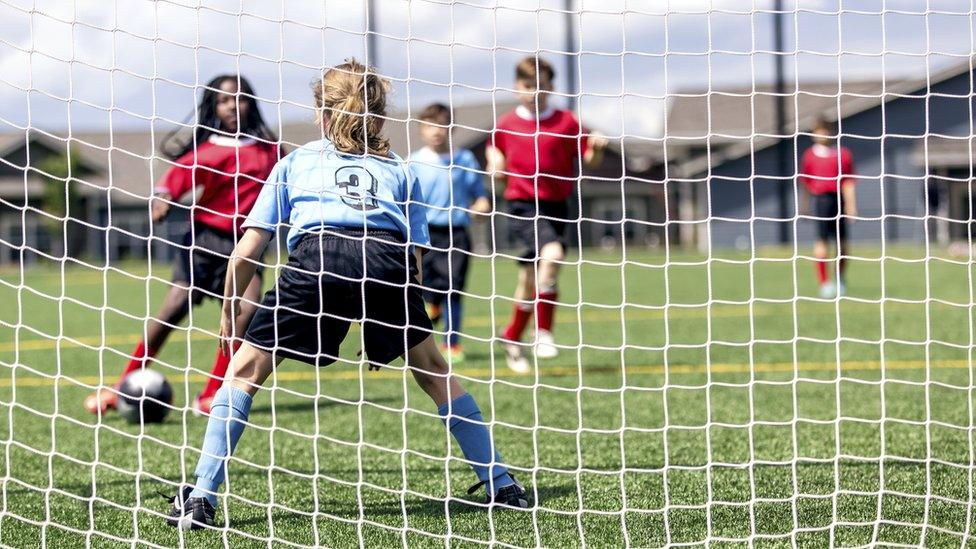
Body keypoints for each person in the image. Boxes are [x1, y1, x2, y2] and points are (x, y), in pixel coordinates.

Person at [164, 59, 529, 530]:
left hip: (318, 259)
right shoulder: (400, 168)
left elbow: (246, 251)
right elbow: (412, 259)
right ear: (378, 117)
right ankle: (501, 482)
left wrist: (231, 309)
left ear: (321, 114)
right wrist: (388, 328)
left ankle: (200, 497)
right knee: (436, 372)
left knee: (244, 373)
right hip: (386, 265)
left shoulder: (294, 161)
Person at [84, 75, 280, 416]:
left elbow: (290, 178)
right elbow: (175, 179)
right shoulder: (205, 151)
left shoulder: (270, 151)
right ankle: (121, 387)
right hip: (204, 241)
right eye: (223, 100)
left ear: (252, 103)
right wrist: (162, 198)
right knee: (173, 309)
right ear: (213, 107)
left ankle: (212, 395)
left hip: (247, 245)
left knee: (245, 311)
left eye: (240, 98)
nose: (233, 105)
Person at [486, 56, 607, 373]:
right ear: (516, 88)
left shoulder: (567, 121)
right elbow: (494, 152)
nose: (535, 92)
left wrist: (598, 148)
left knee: (530, 280)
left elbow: (588, 159)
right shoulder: (506, 123)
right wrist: (495, 166)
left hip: (557, 207)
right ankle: (543, 333)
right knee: (551, 256)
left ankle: (512, 336)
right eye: (528, 86)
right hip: (523, 205)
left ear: (551, 87)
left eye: (541, 86)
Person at [410, 103, 491, 362]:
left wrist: (481, 205)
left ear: (451, 128)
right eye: (430, 125)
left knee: (453, 288)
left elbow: (479, 195)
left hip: (456, 232)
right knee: (423, 286)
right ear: (422, 129)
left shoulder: (464, 159)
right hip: (424, 234)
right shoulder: (414, 161)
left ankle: (452, 344)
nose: (436, 131)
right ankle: (432, 306)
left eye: (441, 124)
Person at [799, 118, 857, 298]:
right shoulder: (809, 155)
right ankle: (824, 283)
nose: (822, 134)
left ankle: (840, 279)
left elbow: (848, 182)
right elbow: (806, 183)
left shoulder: (843, 153)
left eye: (825, 130)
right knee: (821, 243)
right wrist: (805, 206)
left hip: (838, 199)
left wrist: (851, 205)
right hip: (821, 201)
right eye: (818, 131)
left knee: (843, 245)